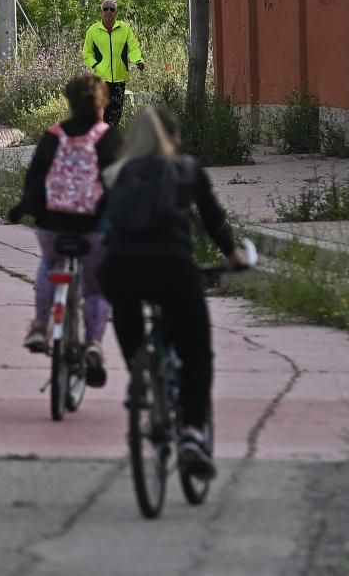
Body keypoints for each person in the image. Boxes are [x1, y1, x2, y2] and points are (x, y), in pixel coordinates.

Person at [99, 106, 248, 480]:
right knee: (196, 350)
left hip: (120, 269)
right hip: (172, 267)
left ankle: (139, 373)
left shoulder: (114, 174)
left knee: (127, 312)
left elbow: (103, 224)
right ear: (173, 138)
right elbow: (213, 218)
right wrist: (233, 255)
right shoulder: (186, 170)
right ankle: (194, 435)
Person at [6, 73, 122, 387]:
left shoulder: (54, 135)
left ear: (68, 103)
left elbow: (34, 179)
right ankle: (94, 344)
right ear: (103, 102)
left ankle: (42, 326)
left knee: (49, 265)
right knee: (96, 286)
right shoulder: (109, 138)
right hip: (93, 229)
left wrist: (22, 209)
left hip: (52, 226)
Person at [83, 0, 145, 127]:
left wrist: (138, 60)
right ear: (101, 11)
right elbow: (87, 53)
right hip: (101, 78)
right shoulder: (93, 30)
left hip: (119, 77)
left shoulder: (125, 29)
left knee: (116, 112)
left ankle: (107, 139)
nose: (109, 11)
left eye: (112, 9)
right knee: (101, 110)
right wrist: (95, 65)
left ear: (116, 12)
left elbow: (133, 48)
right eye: (105, 9)